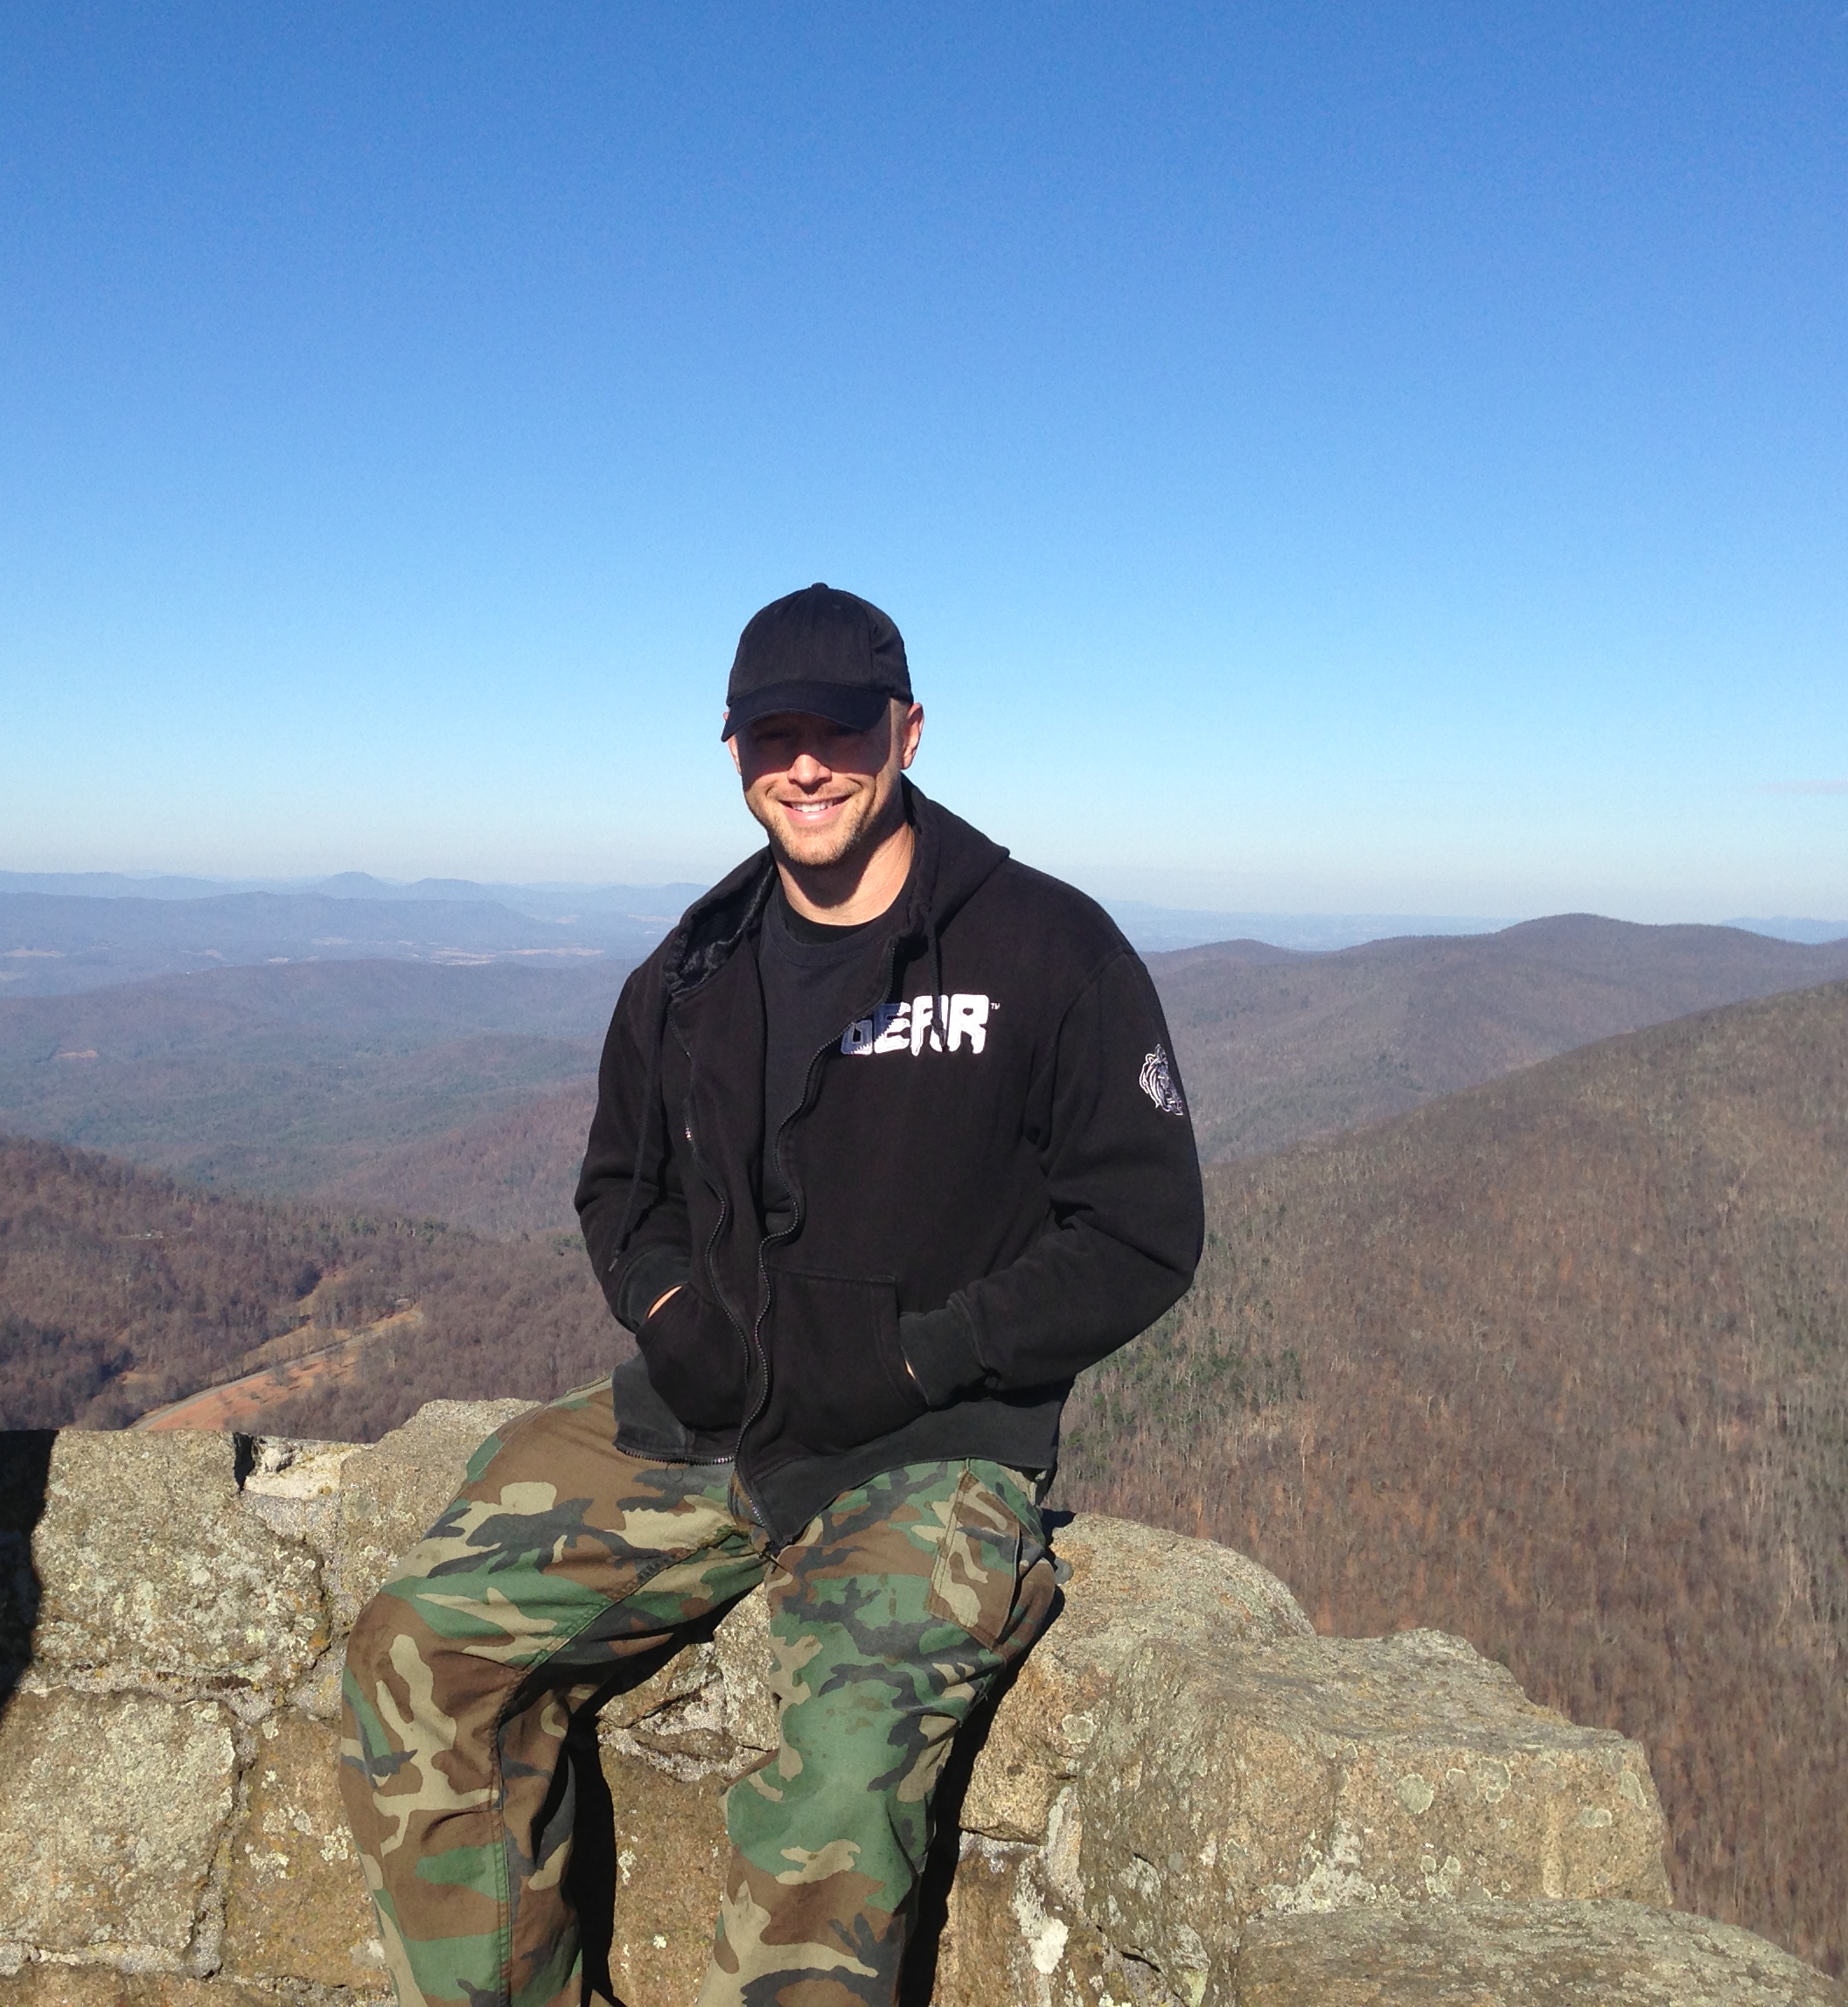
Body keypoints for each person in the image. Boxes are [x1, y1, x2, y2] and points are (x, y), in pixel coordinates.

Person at [338, 584, 1204, 2007]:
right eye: (771, 733)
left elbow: (1143, 1230)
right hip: (704, 1424)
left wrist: (922, 1358)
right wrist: (672, 1318)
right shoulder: (691, 969)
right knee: (414, 1651)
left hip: (932, 1455)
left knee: (837, 1786)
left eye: (841, 729)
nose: (806, 763)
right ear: (732, 752)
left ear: (908, 734)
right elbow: (620, 1189)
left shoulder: (1045, 951)